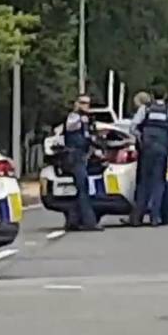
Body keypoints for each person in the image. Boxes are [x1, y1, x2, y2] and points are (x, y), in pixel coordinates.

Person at [128, 90, 168, 227]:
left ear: (152, 96)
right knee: (159, 183)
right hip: (161, 151)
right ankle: (155, 217)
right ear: (165, 95)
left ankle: (137, 218)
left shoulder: (145, 109)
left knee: (143, 183)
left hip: (146, 150)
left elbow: (132, 127)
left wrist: (140, 136)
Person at [62, 94, 103, 232]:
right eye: (83, 103)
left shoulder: (87, 120)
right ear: (77, 103)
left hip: (82, 156)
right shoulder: (74, 117)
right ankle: (90, 222)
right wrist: (81, 117)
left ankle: (72, 221)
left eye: (88, 103)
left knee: (81, 189)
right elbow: (70, 127)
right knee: (83, 188)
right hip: (74, 156)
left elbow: (89, 138)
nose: (86, 106)